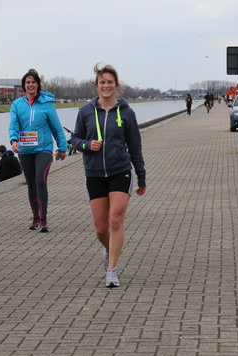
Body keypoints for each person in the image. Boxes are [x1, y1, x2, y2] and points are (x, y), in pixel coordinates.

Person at [71, 63, 146, 288]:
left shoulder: (127, 113)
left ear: (116, 86)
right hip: (94, 174)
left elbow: (135, 147)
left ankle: (111, 270)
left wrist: (141, 177)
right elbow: (74, 140)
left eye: (109, 82)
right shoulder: (85, 112)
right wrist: (87, 144)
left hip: (119, 171)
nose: (106, 86)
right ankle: (108, 248)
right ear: (96, 86)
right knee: (101, 228)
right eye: (102, 82)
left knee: (115, 219)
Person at [9, 68, 68, 232]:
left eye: (33, 82)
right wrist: (13, 140)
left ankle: (43, 219)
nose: (31, 85)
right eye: (28, 82)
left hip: (44, 149)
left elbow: (56, 127)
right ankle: (35, 218)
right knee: (31, 184)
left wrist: (62, 148)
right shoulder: (16, 105)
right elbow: (13, 125)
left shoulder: (47, 104)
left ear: (38, 84)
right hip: (25, 150)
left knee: (40, 181)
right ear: (23, 86)